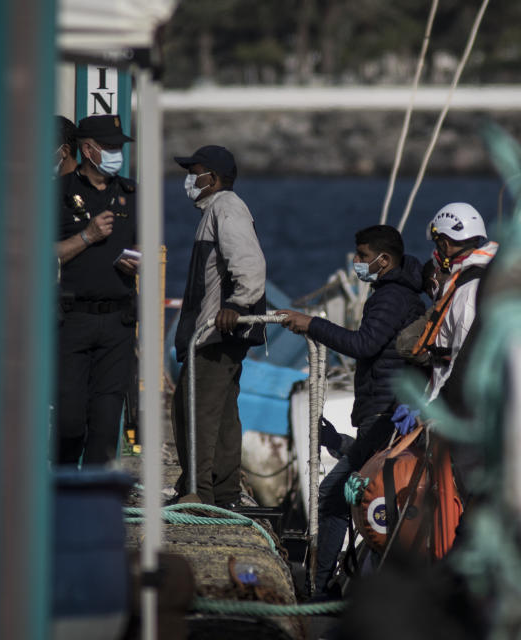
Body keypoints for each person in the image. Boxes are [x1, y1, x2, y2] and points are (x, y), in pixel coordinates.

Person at [279, 224, 426, 595]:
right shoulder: (397, 293)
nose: (357, 262)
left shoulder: (390, 296)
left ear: (384, 259)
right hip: (383, 412)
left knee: (334, 495)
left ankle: (321, 587)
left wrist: (312, 324)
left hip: (385, 413)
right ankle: (330, 581)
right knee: (353, 491)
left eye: (362, 256)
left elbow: (364, 344)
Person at [172, 145, 267, 507]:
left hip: (217, 330)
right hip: (218, 331)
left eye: (193, 172)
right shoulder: (216, 210)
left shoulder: (226, 207)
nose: (188, 180)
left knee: (192, 409)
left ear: (212, 178)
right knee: (224, 416)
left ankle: (198, 493)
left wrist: (236, 305)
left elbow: (250, 265)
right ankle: (225, 495)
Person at [54, 114, 138, 465]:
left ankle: (91, 500)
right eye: (110, 147)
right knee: (69, 421)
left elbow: (148, 246)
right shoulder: (57, 194)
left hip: (117, 322)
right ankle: (60, 487)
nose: (117, 153)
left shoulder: (132, 195)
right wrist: (87, 236)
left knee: (105, 426)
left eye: (120, 146)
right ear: (88, 150)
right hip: (73, 320)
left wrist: (139, 261)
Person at [409, 203, 498, 402]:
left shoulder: (468, 291)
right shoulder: (479, 280)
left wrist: (436, 409)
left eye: (437, 244)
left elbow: (464, 362)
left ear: (446, 245)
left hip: (451, 409)